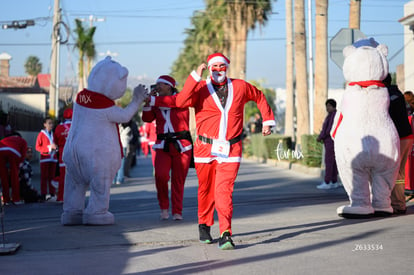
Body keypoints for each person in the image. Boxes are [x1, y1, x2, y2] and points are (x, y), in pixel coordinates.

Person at [174, 53, 275, 250]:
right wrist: (195, 75)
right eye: (214, 66)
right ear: (209, 68)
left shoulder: (240, 86)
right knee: (205, 189)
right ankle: (204, 223)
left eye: (222, 66)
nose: (218, 69)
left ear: (227, 68)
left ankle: (225, 233)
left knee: (223, 190)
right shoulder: (200, 88)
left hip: (231, 147)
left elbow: (259, 96)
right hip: (204, 148)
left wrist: (267, 121)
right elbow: (180, 101)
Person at [142, 75, 193, 221]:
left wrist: (152, 100)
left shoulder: (181, 98)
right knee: (160, 175)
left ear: (169, 86)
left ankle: (177, 211)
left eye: (160, 84)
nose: (157, 87)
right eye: (156, 84)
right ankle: (164, 207)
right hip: (162, 144)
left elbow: (172, 103)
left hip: (182, 145)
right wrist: (147, 104)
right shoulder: (155, 101)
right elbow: (147, 119)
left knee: (178, 180)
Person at [383, 74, 413, 214]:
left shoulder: (389, 96)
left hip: (401, 137)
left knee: (396, 172)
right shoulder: (396, 93)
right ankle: (398, 202)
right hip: (406, 136)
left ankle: (398, 204)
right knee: (399, 171)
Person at [316, 99, 339, 190]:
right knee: (333, 162)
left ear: (333, 106)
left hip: (330, 141)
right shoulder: (331, 115)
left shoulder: (333, 116)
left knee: (329, 162)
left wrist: (320, 137)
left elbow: (328, 130)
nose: (327, 108)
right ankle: (334, 181)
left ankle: (327, 182)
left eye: (329, 106)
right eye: (327, 106)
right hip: (331, 141)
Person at [0, 132, 27, 204]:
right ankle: (16, 199)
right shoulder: (23, 141)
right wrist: (18, 165)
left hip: (1, 150)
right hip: (14, 152)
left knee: (3, 177)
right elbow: (23, 155)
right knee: (14, 177)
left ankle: (6, 200)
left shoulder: (5, 139)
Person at [35, 116, 58, 201]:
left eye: (52, 123)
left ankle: (52, 194)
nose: (51, 125)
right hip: (45, 158)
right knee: (44, 177)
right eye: (49, 123)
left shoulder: (54, 133)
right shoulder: (41, 134)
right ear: (44, 124)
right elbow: (37, 147)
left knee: (52, 177)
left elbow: (57, 143)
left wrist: (56, 147)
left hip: (53, 158)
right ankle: (43, 194)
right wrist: (49, 148)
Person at [53, 108, 73, 202]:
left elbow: (55, 143)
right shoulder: (77, 126)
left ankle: (61, 197)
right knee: (75, 177)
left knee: (62, 177)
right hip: (74, 153)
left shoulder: (58, 128)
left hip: (62, 153)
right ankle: (73, 198)